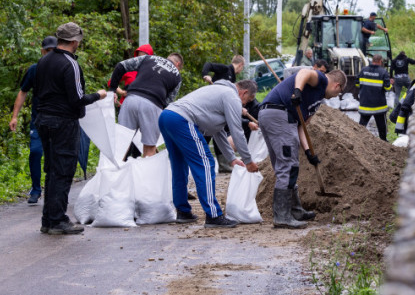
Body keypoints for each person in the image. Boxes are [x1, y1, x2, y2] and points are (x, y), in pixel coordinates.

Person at [33, 22, 107, 235]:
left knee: (51, 169)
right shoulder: (70, 64)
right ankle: (58, 220)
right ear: (75, 42)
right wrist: (98, 96)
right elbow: (76, 99)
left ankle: (48, 219)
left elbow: (38, 91)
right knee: (63, 169)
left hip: (43, 119)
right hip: (63, 121)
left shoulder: (43, 61)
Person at [158, 79, 260, 228]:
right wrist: (248, 161)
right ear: (243, 92)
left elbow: (218, 132)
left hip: (167, 116)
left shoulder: (218, 91)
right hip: (182, 119)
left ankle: (183, 212)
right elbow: (237, 131)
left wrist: (232, 159)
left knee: (179, 166)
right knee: (206, 163)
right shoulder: (231, 96)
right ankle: (214, 215)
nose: (244, 105)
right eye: (247, 100)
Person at [258, 68, 346, 228]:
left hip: (274, 116)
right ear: (337, 86)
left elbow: (301, 127)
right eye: (339, 92)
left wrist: (307, 152)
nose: (336, 96)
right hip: (280, 115)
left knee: (285, 165)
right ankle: (282, 217)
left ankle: (295, 210)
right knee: (289, 166)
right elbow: (305, 72)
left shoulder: (316, 100)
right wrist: (297, 91)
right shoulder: (321, 80)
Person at [9, 35, 58, 204]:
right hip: (38, 121)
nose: (50, 54)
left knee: (55, 156)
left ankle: (53, 189)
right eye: (48, 51)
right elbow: (23, 92)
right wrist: (15, 116)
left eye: (53, 50)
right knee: (36, 152)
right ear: (42, 51)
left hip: (57, 121)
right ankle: (36, 189)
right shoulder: (34, 69)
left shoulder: (62, 68)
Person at [108, 52, 183, 157]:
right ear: (178, 64)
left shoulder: (148, 58)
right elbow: (168, 102)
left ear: (168, 58)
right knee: (149, 148)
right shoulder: (177, 76)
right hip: (153, 105)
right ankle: (146, 173)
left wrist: (112, 90)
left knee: (121, 144)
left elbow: (121, 66)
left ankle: (115, 173)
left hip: (131, 100)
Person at [356, 54, 392, 141]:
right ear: (380, 61)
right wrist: (391, 83)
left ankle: (357, 140)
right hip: (379, 106)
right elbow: (387, 88)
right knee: (381, 126)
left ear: (372, 61)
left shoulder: (363, 70)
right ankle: (383, 142)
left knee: (361, 125)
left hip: (365, 103)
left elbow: (357, 84)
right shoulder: (383, 72)